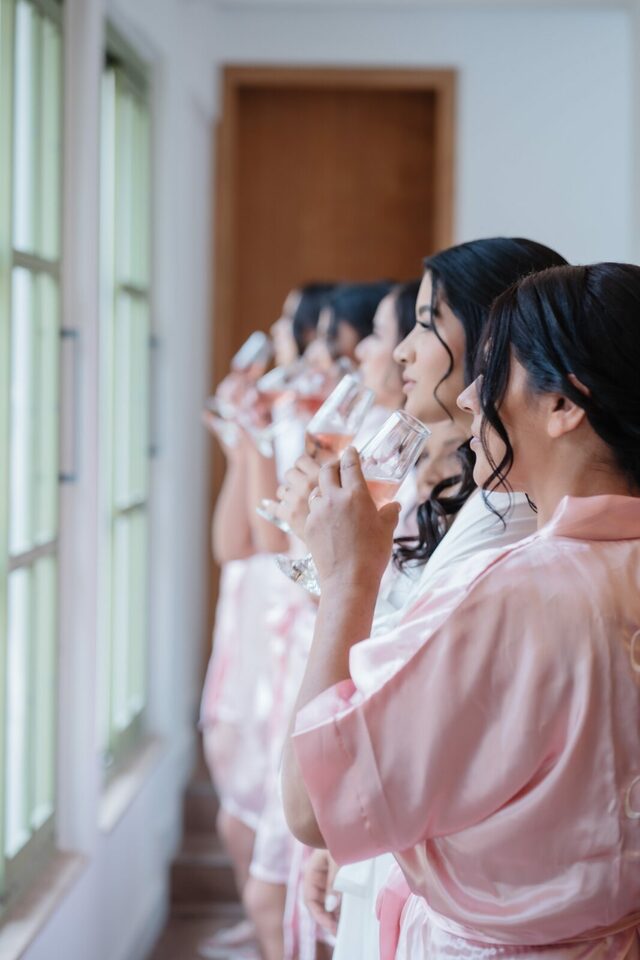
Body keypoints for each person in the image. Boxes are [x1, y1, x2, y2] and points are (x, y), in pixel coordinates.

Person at [283, 262, 640, 960]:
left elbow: (311, 805)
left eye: (494, 370)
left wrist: (349, 580)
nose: (474, 396)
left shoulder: (512, 594)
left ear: (563, 403)